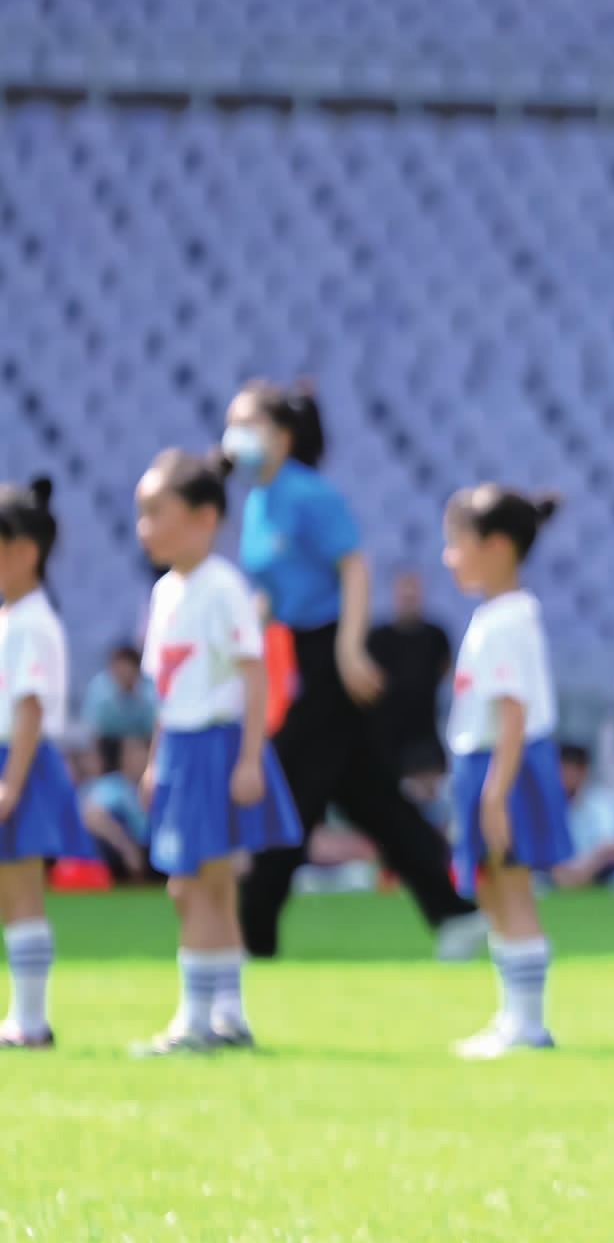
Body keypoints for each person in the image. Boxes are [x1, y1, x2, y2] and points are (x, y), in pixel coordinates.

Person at [221, 382, 479, 961]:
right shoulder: (259, 500)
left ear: (282, 436)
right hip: (293, 651)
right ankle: (454, 912)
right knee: (370, 798)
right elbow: (272, 589)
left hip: (329, 655)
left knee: (287, 788)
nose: (233, 437)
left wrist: (348, 649)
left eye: (247, 424)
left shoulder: (309, 494)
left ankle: (253, 930)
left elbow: (354, 568)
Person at [130, 450, 302, 1054]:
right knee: (210, 884)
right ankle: (228, 1014)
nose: (145, 527)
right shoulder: (165, 592)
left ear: (205, 517)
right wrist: (157, 758)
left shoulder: (222, 587)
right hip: (181, 747)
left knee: (195, 885)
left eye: (157, 512)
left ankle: (195, 1019)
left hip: (216, 744)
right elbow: (168, 687)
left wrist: (250, 757)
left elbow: (253, 674)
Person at [440, 486, 578, 1059]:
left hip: (505, 766)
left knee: (513, 888)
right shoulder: (496, 615)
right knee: (494, 890)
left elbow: (514, 712)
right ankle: (511, 1017)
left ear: (495, 546)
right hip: (486, 763)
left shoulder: (508, 621)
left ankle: (529, 1024)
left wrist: (496, 791)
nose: (449, 557)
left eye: (457, 543)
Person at [0, 479, 96, 1049]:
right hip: (16, 761)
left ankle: (30, 1020)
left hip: (22, 762)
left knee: (21, 891)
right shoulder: (15, 616)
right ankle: (24, 1015)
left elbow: (30, 708)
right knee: (11, 893)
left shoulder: (31, 622)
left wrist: (11, 784)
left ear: (24, 550)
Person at [366, 567, 454, 799]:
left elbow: (446, 671)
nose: (408, 598)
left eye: (413, 593)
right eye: (404, 593)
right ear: (394, 595)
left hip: (425, 740)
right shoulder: (378, 638)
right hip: (387, 742)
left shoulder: (435, 636)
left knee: (432, 803)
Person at [551, 744, 614, 889]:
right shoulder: (546, 803)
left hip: (598, 870)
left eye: (571, 770)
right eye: (562, 770)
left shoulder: (602, 800)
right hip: (555, 870)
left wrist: (587, 867)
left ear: (584, 770)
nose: (566, 776)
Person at [79, 734, 152, 883]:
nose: (139, 758)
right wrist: (127, 849)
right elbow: (93, 815)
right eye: (133, 754)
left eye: (142, 752)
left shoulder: (154, 788)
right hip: (119, 857)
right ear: (123, 758)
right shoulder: (113, 785)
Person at [80, 643, 156, 749]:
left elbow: (152, 729)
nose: (123, 674)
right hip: (104, 742)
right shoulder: (99, 688)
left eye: (127, 669)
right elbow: (92, 728)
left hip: (137, 743)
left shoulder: (149, 689)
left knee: (133, 748)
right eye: (119, 669)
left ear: (137, 670)